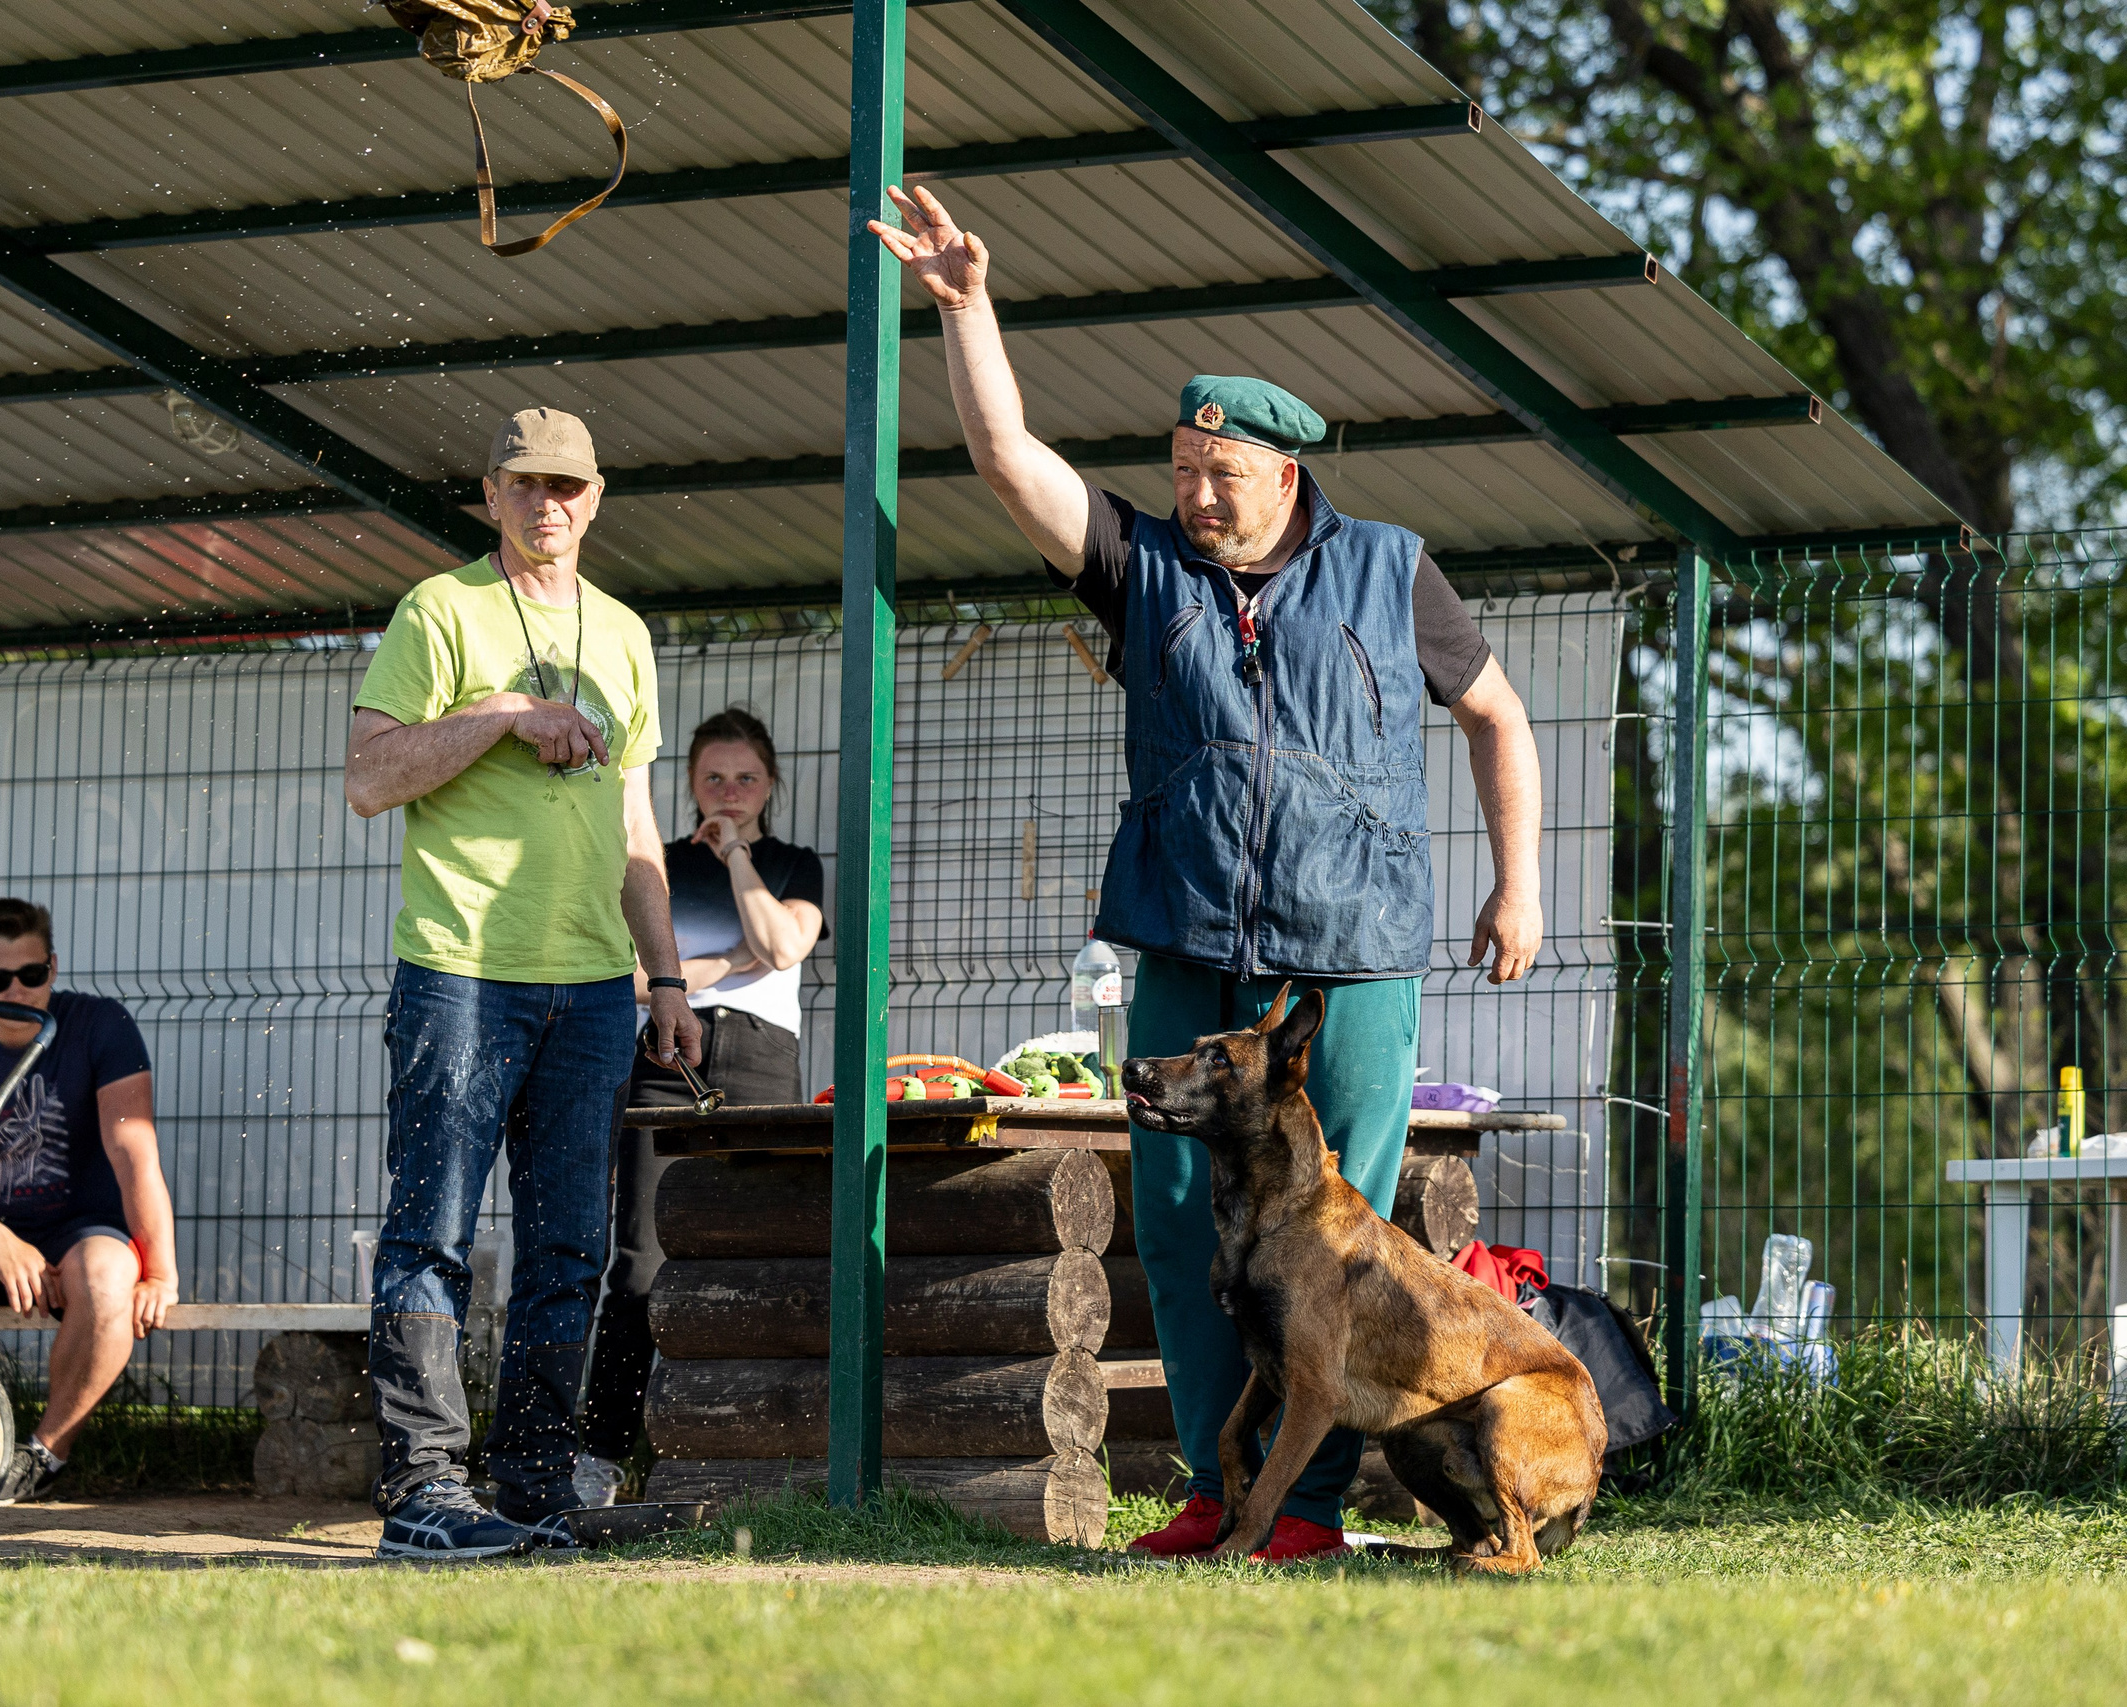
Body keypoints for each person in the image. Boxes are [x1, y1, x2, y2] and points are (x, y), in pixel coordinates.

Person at [875, 186, 1547, 1563]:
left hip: (1346, 953)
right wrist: (965, 307)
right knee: (1188, 1225)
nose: (1191, 490)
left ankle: (1300, 1513)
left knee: (1336, 1245)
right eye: (1181, 466)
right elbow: (1008, 457)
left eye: (1216, 472)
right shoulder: (1146, 569)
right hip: (1187, 941)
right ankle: (1216, 1485)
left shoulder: (1389, 569)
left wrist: (1516, 883)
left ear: (1285, 474)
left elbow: (1499, 715)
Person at [342, 404, 703, 1561]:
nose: (547, 505)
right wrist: (501, 713)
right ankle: (424, 1489)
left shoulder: (629, 635)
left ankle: (537, 1476)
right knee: (433, 1228)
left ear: (595, 501)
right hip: (460, 969)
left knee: (568, 1248)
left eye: (567, 487)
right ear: (489, 497)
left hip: (595, 984)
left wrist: (668, 981)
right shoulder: (438, 611)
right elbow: (368, 777)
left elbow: (639, 820)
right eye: (525, 486)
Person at [578, 708, 826, 1493]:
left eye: (745, 777)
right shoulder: (652, 866)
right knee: (639, 1262)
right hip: (660, 1056)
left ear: (771, 783)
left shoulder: (792, 862)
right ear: (688, 782)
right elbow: (635, 977)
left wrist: (738, 858)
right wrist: (720, 962)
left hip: (759, 1057)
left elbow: (785, 945)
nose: (729, 790)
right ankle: (600, 1456)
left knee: (759, 1255)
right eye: (714, 777)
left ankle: (756, 1456)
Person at [0, 898, 179, 1505]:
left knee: (112, 1276)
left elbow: (133, 1151)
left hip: (73, 1234)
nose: (17, 991)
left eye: (31, 975)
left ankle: (38, 1458)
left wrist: (160, 1271)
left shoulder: (99, 1025)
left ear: (52, 969)